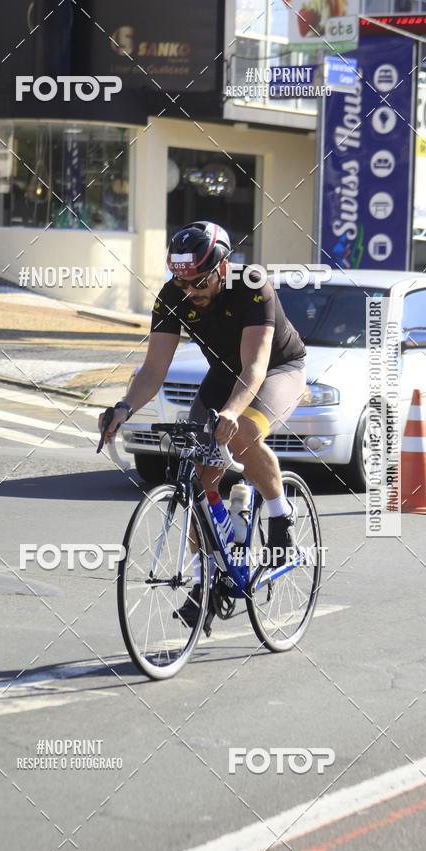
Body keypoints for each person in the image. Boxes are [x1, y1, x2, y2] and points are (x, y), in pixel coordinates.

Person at [99, 220, 307, 626]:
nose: (190, 292)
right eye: (182, 283)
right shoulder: (173, 295)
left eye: (199, 282)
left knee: (244, 433)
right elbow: (153, 370)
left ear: (222, 267)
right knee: (198, 480)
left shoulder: (252, 285)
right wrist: (123, 408)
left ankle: (281, 514)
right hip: (224, 375)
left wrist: (231, 412)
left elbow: (255, 367)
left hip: (277, 370)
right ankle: (205, 581)